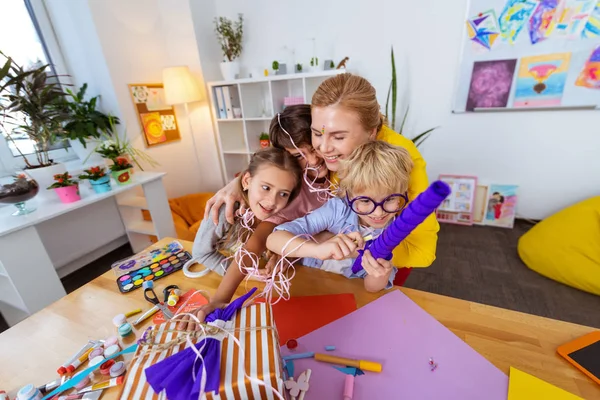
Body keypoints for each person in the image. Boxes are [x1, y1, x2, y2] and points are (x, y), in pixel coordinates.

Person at [205, 73, 439, 283]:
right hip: (327, 261)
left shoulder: (401, 158)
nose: (323, 150)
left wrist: (353, 246)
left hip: (379, 268)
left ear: (372, 133)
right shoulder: (324, 148)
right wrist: (236, 183)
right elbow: (278, 162)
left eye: (338, 137)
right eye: (317, 133)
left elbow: (423, 252)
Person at [180, 147, 302, 329]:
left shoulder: (283, 212)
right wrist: (250, 276)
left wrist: (283, 258)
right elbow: (201, 253)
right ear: (246, 181)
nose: (271, 201)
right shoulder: (225, 210)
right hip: (222, 282)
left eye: (283, 193)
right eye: (266, 188)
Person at [266, 141, 413, 292]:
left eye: (389, 199)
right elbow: (274, 239)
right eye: (364, 201)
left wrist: (381, 273)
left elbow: (371, 288)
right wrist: (317, 250)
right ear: (349, 195)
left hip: (347, 295)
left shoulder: (395, 230)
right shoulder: (338, 209)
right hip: (307, 284)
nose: (378, 213)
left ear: (403, 194)